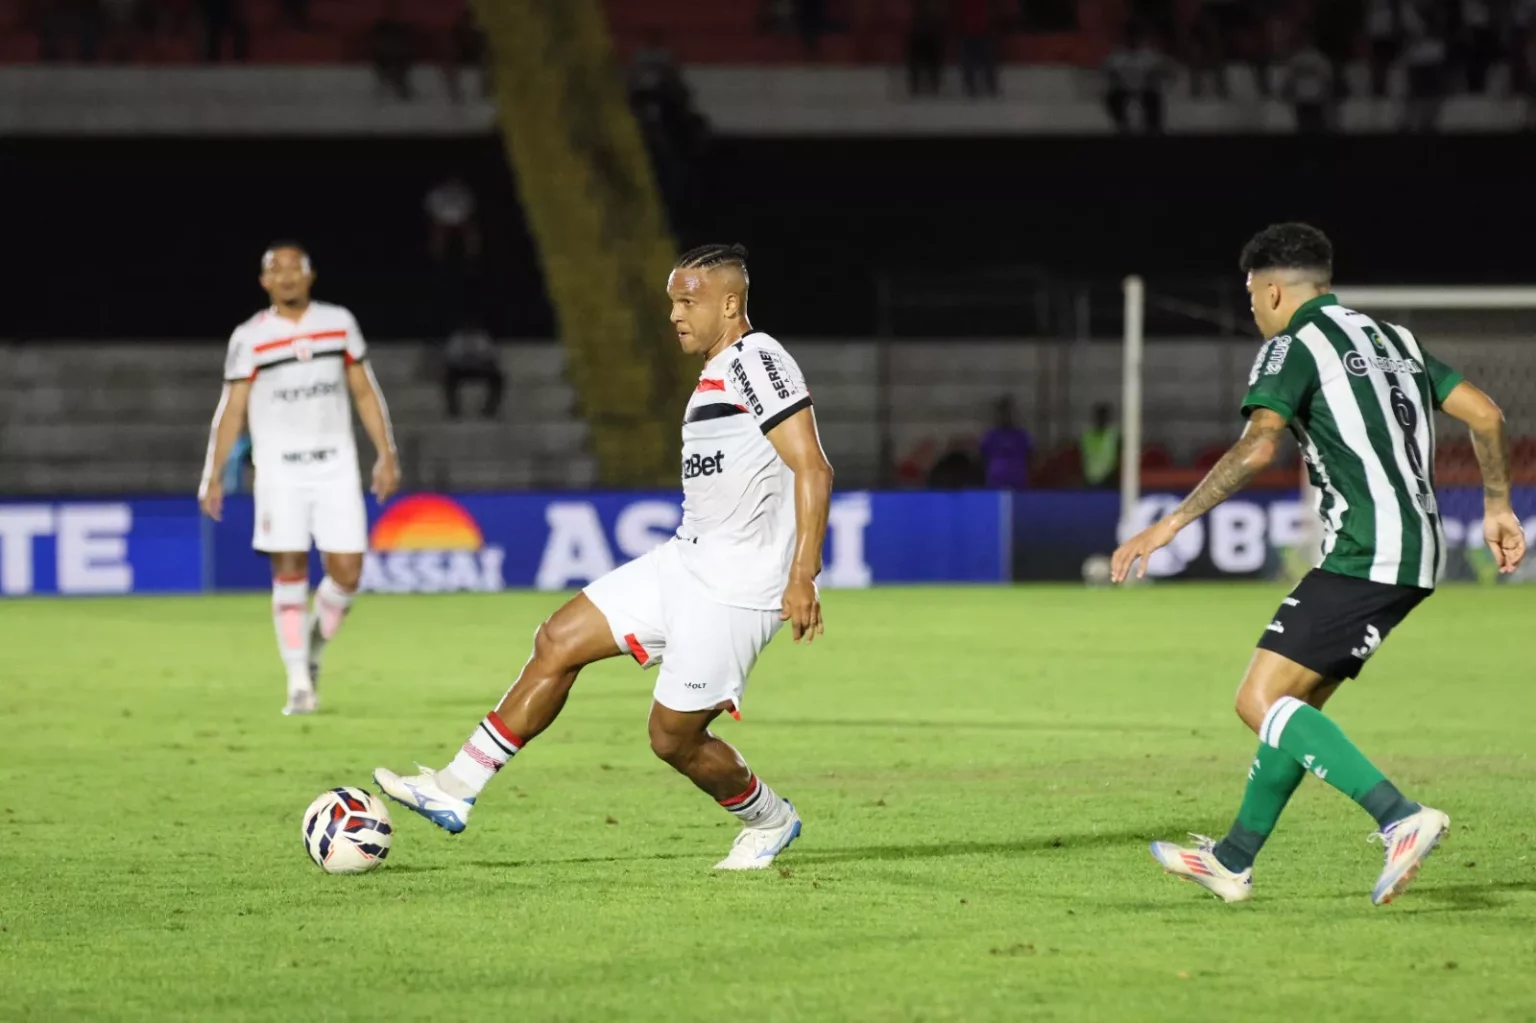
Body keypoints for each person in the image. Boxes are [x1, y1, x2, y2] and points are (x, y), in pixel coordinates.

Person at [375, 243, 834, 872]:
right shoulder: (720, 368)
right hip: (684, 561)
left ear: (730, 304)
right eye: (671, 302)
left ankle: (769, 818)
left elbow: (813, 467)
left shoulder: (757, 360)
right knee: (557, 639)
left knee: (672, 738)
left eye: (687, 301)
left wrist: (802, 574)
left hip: (736, 588)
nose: (674, 314)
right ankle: (455, 787)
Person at [1113, 223, 1526, 906]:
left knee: (1258, 701)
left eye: (1252, 295)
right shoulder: (1394, 339)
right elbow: (1486, 414)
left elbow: (1257, 447)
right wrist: (1498, 505)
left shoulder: (1295, 344)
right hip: (1415, 546)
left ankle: (1400, 816)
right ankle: (1234, 859)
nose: (1253, 308)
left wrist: (1170, 523)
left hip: (1367, 548)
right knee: (1295, 710)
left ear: (1273, 290)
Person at [199, 243, 401, 716]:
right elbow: (232, 407)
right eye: (277, 270)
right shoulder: (250, 337)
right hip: (279, 470)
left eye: (295, 269)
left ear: (310, 276)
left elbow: (364, 391)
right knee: (288, 567)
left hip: (336, 465)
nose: (287, 277)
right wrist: (213, 473)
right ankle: (298, 683)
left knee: (348, 573)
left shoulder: (339, 323)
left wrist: (386, 453)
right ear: (264, 281)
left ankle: (310, 650)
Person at [442, 321, 504, 419]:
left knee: (497, 377)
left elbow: (493, 356)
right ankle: (453, 409)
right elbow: (449, 357)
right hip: (461, 369)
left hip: (480, 369)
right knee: (448, 377)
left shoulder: (483, 337)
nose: (469, 326)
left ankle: (490, 409)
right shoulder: (456, 338)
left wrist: (483, 362)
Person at [979, 396, 1032, 489]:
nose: (1006, 416)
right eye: (1002, 413)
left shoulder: (1021, 435)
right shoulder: (991, 436)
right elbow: (983, 456)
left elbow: (1030, 456)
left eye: (1008, 413)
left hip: (1017, 480)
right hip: (996, 481)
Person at [1080, 403, 1120, 487]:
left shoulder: (1114, 435)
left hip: (1110, 479)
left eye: (1103, 417)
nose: (1101, 420)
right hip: (1090, 480)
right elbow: (1082, 458)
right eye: (1099, 417)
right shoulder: (1087, 436)